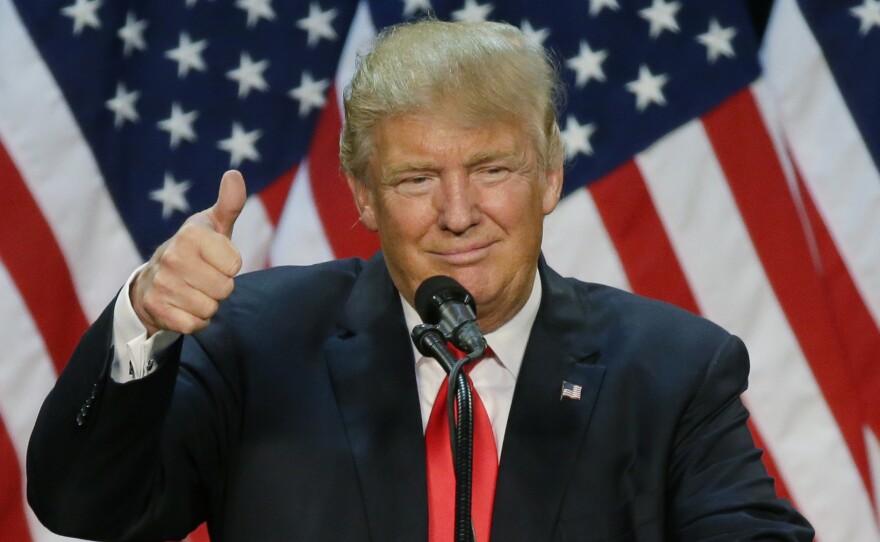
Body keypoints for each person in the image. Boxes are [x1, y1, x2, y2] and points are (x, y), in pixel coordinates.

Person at [27, 19, 813, 542]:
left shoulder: (672, 369)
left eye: (492, 169)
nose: (459, 213)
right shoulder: (257, 341)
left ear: (548, 178)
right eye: (415, 180)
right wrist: (144, 319)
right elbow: (85, 508)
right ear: (364, 197)